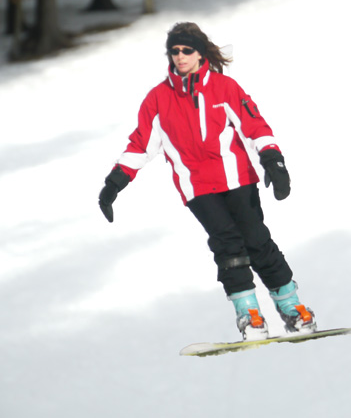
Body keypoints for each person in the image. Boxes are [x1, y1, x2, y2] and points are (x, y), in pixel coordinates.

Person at [98, 22, 316, 340]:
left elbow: (254, 125)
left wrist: (273, 160)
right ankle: (250, 316)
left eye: (187, 50)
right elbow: (141, 144)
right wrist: (114, 184)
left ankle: (293, 308)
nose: (180, 56)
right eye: (175, 51)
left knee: (257, 242)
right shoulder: (158, 99)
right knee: (228, 245)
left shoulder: (224, 88)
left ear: (200, 53)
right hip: (197, 186)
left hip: (236, 177)